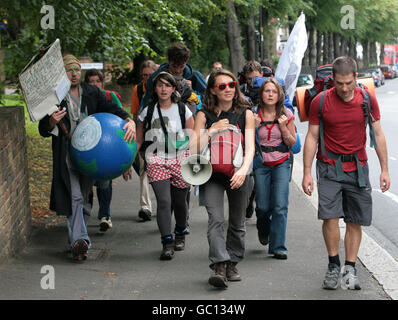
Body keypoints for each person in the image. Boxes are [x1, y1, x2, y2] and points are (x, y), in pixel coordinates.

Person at [302, 56, 390, 290]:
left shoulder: (367, 100)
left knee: (354, 219)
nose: (343, 88)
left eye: (348, 83)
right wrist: (307, 172)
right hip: (329, 166)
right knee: (329, 217)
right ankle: (333, 265)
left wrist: (385, 170)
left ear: (355, 77)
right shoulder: (320, 102)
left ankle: (350, 268)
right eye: (339, 83)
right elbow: (311, 136)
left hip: (358, 167)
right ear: (333, 79)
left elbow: (378, 134)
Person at [38, 54, 136, 262]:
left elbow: (112, 109)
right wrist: (52, 122)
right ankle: (80, 240)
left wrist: (129, 120)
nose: (73, 73)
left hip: (91, 154)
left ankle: (76, 238)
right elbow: (42, 129)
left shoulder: (92, 92)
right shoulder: (55, 98)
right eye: (68, 70)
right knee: (74, 195)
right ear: (62, 73)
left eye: (76, 69)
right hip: (66, 153)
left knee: (83, 197)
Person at [191, 69, 255, 288]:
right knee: (216, 219)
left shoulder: (246, 113)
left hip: (238, 173)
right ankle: (219, 264)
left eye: (231, 84)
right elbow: (193, 147)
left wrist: (243, 171)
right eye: (222, 86)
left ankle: (232, 263)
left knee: (237, 223)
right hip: (211, 175)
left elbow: (250, 148)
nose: (228, 89)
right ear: (212, 90)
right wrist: (211, 130)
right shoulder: (203, 114)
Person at [125, 71, 194, 260]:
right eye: (160, 85)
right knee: (164, 202)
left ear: (173, 88)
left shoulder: (182, 110)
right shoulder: (147, 110)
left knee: (180, 202)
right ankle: (167, 242)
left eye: (167, 85)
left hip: (180, 158)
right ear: (155, 88)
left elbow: (191, 137)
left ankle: (180, 231)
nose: (163, 89)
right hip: (156, 158)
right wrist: (127, 161)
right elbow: (138, 140)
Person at [252, 78, 296, 260]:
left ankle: (278, 246)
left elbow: (292, 143)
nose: (270, 94)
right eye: (267, 91)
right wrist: (253, 128)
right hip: (261, 164)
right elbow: (246, 143)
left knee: (279, 206)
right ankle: (263, 228)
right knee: (262, 206)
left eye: (274, 92)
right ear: (261, 94)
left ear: (279, 95)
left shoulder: (286, 114)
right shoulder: (254, 114)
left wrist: (284, 128)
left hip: (281, 162)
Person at [84, 69, 123, 232]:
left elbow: (118, 118)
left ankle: (105, 215)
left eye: (97, 81)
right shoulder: (83, 98)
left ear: (102, 82)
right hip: (87, 145)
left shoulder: (109, 97)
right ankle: (84, 216)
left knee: (104, 182)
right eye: (90, 81)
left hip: (106, 146)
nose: (94, 84)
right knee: (87, 183)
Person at [140, 42, 206, 113]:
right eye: (174, 66)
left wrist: (192, 91)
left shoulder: (195, 77)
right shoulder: (155, 77)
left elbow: (208, 99)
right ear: (169, 60)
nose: (178, 70)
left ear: (186, 62)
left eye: (181, 66)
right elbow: (147, 103)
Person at [130, 60, 158, 221]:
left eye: (149, 75)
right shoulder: (138, 89)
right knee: (144, 170)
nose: (147, 78)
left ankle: (167, 205)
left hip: (162, 134)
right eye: (144, 75)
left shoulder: (162, 87)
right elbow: (135, 114)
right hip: (145, 132)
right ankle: (145, 207)